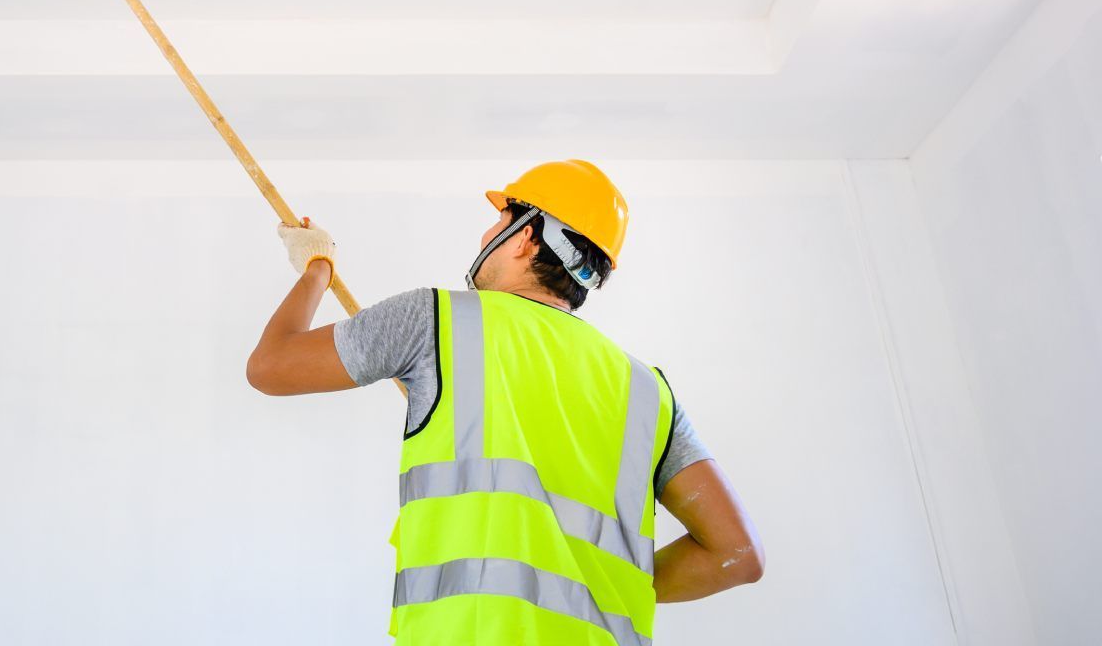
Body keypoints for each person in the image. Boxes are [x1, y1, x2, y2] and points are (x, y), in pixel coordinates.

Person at [245, 159, 762, 644]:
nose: (487, 235)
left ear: (527, 238)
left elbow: (271, 367)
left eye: (499, 221)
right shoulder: (648, 390)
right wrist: (597, 595)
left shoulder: (437, 321)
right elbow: (737, 554)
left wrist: (318, 267)